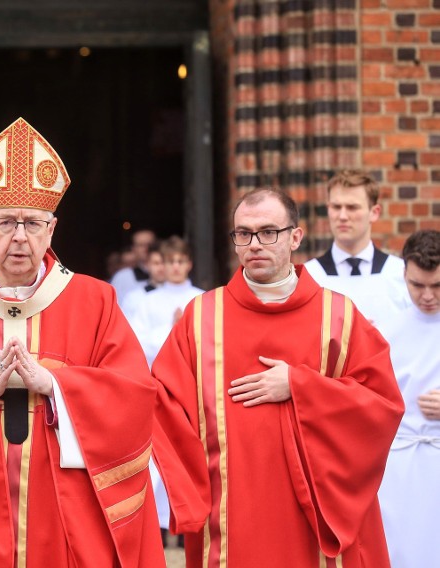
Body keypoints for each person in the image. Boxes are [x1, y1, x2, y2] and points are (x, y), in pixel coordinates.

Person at [0, 118, 204, 568]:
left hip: (65, 505)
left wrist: (55, 386)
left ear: (52, 230)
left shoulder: (95, 301)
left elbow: (134, 396)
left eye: (32, 223)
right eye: (6, 222)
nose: (19, 236)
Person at [152, 187, 404, 567]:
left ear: (295, 237)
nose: (254, 244)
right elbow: (158, 403)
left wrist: (300, 386)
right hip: (228, 510)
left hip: (311, 513)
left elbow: (382, 406)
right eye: (243, 234)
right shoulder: (201, 317)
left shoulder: (338, 317)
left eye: (268, 232)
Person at [377, 229, 440, 567]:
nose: (427, 296)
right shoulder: (385, 333)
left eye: (437, 286)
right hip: (399, 464)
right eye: (417, 285)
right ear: (404, 275)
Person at [304, 169, 409, 327]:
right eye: (336, 207)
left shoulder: (401, 274)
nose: (343, 216)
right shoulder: (309, 276)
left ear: (374, 212)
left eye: (352, 207)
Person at [128, 236, 202, 365]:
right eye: (170, 261)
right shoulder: (148, 301)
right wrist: (172, 330)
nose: (175, 267)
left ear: (189, 265)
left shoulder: (202, 299)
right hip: (158, 372)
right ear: (163, 265)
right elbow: (137, 344)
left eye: (180, 261)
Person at [110, 228, 157, 304]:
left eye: (149, 244)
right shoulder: (122, 277)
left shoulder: (170, 274)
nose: (146, 249)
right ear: (133, 249)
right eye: (141, 245)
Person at [119, 243, 166, 320]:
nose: (160, 268)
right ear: (147, 265)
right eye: (156, 263)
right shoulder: (133, 298)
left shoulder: (180, 295)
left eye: (163, 263)